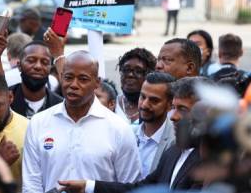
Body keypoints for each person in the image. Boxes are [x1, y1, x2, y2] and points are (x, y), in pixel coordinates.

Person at [58, 77, 209, 193]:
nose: (173, 116)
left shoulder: (213, 161)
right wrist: (88, 186)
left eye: (182, 109)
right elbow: (141, 189)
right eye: (174, 108)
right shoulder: (173, 152)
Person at [22, 51, 141, 193]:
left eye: (83, 79)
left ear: (97, 82)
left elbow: (130, 185)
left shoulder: (119, 129)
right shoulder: (38, 123)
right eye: (68, 77)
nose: (74, 85)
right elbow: (31, 184)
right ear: (61, 77)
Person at [136, 72, 175, 178]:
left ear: (170, 105)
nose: (144, 104)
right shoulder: (126, 134)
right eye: (142, 97)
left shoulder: (175, 142)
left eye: (154, 100)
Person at [9, 41, 63, 119]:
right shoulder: (7, 100)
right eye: (31, 61)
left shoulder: (59, 105)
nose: (38, 66)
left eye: (44, 62)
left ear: (50, 68)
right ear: (19, 65)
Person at [116, 48, 156, 124]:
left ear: (149, 75)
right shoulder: (112, 103)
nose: (130, 74)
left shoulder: (156, 107)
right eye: (126, 70)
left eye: (138, 71)